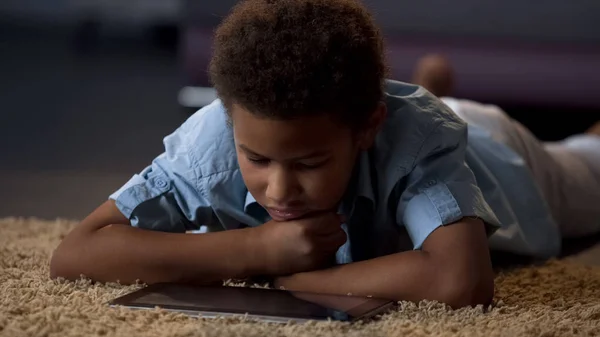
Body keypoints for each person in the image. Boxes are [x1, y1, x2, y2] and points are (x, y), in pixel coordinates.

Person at [49, 0, 600, 309]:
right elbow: (76, 254)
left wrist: (287, 278)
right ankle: (430, 84)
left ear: (366, 130)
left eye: (308, 164)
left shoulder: (418, 138)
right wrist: (256, 249)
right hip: (400, 113)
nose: (280, 191)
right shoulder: (216, 135)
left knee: (586, 159)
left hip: (498, 154)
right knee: (425, 109)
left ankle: (442, 94)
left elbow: (460, 282)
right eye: (257, 160)